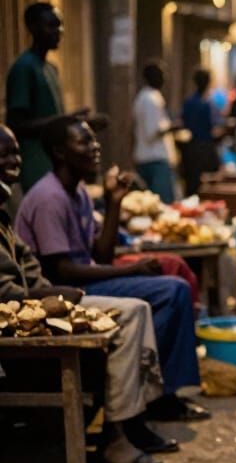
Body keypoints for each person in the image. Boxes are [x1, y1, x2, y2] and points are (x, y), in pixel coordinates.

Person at [0, 124, 170, 463]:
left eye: (16, 151)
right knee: (134, 310)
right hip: (13, 320)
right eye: (4, 154)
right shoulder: (48, 197)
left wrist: (50, 294)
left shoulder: (5, 214)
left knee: (135, 310)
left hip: (35, 305)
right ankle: (118, 435)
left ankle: (126, 423)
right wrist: (49, 295)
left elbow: (34, 270)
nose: (14, 160)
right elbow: (9, 293)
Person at [15, 116, 206, 421]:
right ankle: (148, 396)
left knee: (172, 288)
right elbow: (62, 271)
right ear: (60, 152)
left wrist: (114, 202)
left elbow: (101, 254)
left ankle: (159, 392)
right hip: (63, 293)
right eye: (84, 141)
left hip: (88, 281)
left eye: (93, 140)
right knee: (172, 291)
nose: (94, 147)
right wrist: (131, 271)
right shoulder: (49, 197)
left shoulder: (78, 193)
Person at [132, 63, 180, 204]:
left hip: (147, 157)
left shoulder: (144, 97)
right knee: (161, 204)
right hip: (155, 159)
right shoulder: (150, 99)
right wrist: (172, 127)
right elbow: (151, 132)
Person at [180, 69, 225, 196]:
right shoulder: (209, 104)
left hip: (191, 150)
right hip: (206, 149)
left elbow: (183, 122)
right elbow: (216, 127)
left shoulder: (188, 103)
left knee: (192, 188)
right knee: (210, 189)